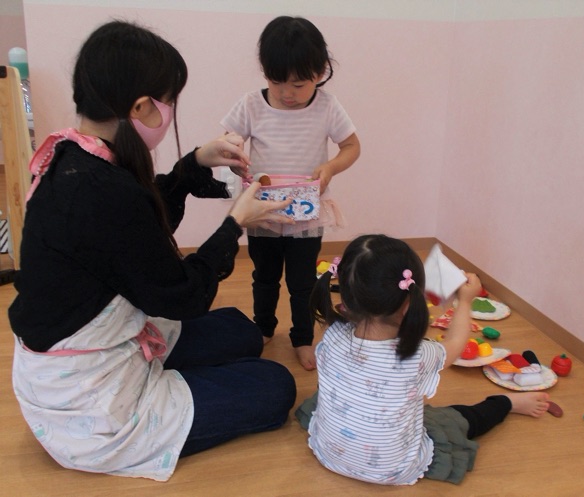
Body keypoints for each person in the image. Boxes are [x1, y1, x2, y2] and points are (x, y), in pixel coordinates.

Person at [9, 20, 298, 482]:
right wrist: (234, 225)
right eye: (169, 102)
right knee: (276, 386)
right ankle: (147, 416)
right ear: (142, 107)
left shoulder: (75, 155)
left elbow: (135, 232)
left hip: (85, 349)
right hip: (88, 399)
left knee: (242, 332)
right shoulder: (104, 190)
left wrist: (194, 162)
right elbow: (182, 295)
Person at [296, 235, 551, 486]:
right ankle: (506, 403)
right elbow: (456, 343)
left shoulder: (332, 334)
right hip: (393, 469)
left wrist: (410, 302)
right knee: (455, 421)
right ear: (409, 303)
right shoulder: (419, 355)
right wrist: (464, 301)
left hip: (329, 453)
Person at [221, 16, 361, 371]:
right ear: (265, 72)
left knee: (303, 283)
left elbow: (351, 146)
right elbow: (226, 142)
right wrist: (233, 154)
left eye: (298, 84)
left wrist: (330, 167)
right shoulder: (251, 104)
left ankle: (302, 337)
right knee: (264, 277)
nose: (287, 93)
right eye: (276, 82)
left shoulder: (327, 106)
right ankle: (264, 328)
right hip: (263, 213)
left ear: (320, 71)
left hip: (305, 215)